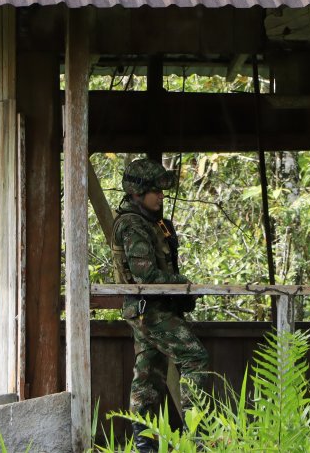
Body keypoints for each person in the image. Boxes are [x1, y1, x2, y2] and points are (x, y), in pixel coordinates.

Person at [111, 158, 210, 452]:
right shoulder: (132, 224)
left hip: (151, 308)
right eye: (155, 190)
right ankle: (198, 435)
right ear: (137, 193)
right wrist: (182, 283)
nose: (161, 195)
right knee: (194, 357)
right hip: (148, 308)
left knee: (148, 375)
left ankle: (145, 446)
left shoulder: (154, 224)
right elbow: (145, 275)